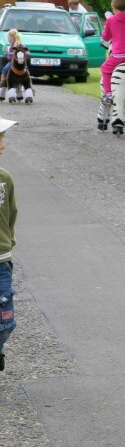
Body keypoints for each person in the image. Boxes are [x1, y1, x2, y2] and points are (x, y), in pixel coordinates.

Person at [0, 115, 19, 372]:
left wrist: (7, 242)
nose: (3, 145)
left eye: (3, 139)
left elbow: (11, 213)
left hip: (1, 261)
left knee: (6, 320)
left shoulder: (5, 178)